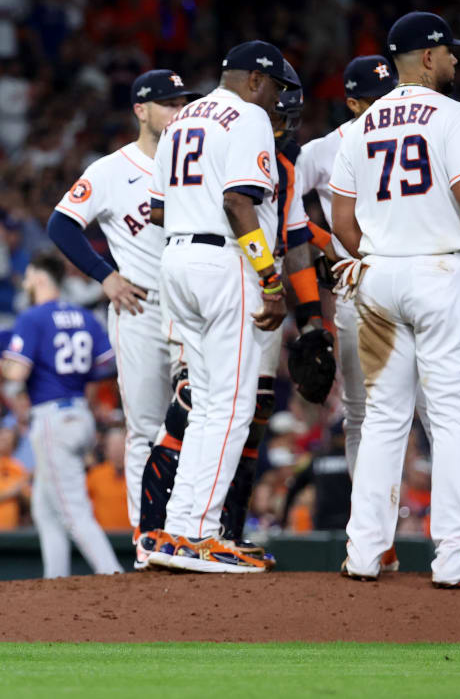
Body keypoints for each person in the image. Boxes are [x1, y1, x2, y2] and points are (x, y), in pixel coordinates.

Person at [330, 12, 460, 587]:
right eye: (450, 52)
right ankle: (454, 555)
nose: (457, 60)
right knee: (453, 418)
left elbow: (341, 217)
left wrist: (384, 251)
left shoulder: (361, 126)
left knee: (386, 418)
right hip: (440, 272)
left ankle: (364, 552)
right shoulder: (455, 114)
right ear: (429, 58)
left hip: (379, 276)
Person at [144, 39, 295, 574]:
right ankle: (202, 533)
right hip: (223, 260)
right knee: (232, 407)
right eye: (275, 86)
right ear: (256, 80)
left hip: (176, 259)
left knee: (207, 405)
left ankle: (179, 526)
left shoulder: (182, 120)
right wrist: (269, 279)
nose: (277, 100)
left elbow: (159, 209)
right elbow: (238, 202)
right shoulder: (247, 114)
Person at [47, 68, 198, 538]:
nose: (179, 112)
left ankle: (190, 526)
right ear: (141, 110)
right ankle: (146, 532)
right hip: (143, 308)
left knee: (202, 421)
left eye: (183, 103)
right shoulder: (111, 170)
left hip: (194, 307)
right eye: (169, 104)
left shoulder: (196, 161)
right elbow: (61, 225)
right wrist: (105, 277)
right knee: (146, 426)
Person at [294, 55, 430, 572]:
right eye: (372, 98)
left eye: (388, 92)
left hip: (411, 283)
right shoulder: (327, 149)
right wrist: (327, 242)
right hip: (357, 286)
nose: (383, 103)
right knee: (361, 413)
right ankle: (375, 536)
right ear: (351, 102)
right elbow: (280, 199)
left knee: (426, 411)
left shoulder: (415, 132)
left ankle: (444, 536)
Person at [0, 251, 122, 578]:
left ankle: (113, 575)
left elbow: (14, 375)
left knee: (73, 512)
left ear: (40, 278)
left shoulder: (32, 317)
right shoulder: (84, 315)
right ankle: (56, 582)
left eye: (28, 277)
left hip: (54, 418)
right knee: (45, 509)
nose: (25, 283)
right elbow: (106, 364)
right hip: (80, 414)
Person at [86, 427, 129, 531]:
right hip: (103, 538)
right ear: (106, 449)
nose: (117, 450)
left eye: (121, 445)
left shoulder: (137, 476)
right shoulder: (95, 475)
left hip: (132, 539)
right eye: (113, 445)